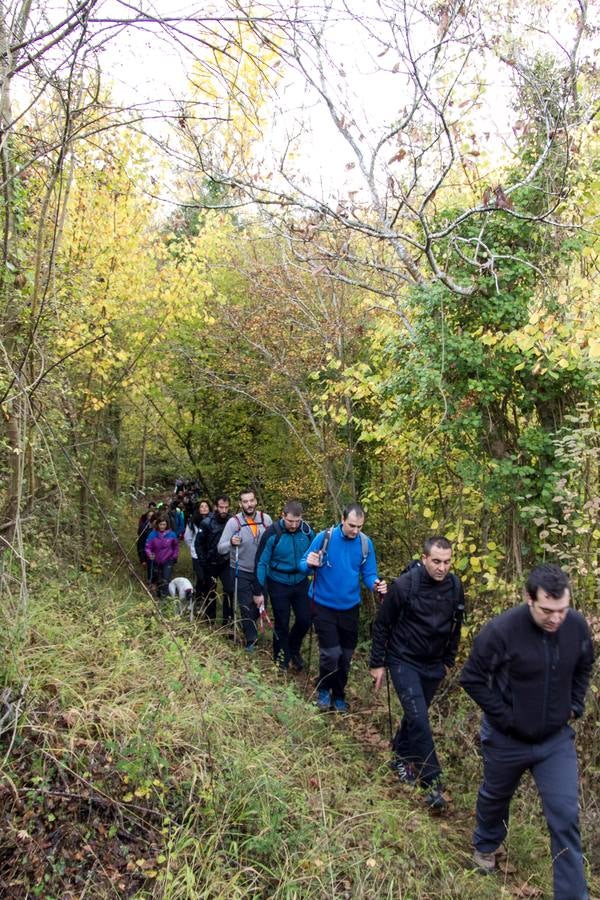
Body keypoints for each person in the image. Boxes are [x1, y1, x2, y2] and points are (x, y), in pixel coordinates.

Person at [460, 564, 594, 897]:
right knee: (495, 796)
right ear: (528, 599)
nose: (556, 618)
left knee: (565, 816)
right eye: (547, 610)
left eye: (562, 609)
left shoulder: (575, 626)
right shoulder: (502, 630)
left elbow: (584, 664)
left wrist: (575, 705)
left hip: (555, 740)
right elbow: (472, 678)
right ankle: (486, 845)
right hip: (507, 739)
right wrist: (505, 717)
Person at [369, 536, 465, 812]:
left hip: (434, 664)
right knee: (420, 720)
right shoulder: (404, 585)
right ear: (424, 559)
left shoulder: (455, 587)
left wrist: (448, 661)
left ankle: (400, 755)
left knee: (415, 717)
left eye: (447, 562)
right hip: (403, 660)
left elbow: (456, 626)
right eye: (436, 561)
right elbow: (383, 625)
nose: (442, 567)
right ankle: (432, 785)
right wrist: (378, 664)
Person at [299, 502, 386, 712]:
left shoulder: (365, 544)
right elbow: (302, 565)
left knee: (346, 656)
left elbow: (368, 574)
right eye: (352, 526)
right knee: (331, 653)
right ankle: (323, 690)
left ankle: (339, 695)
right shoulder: (324, 538)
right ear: (342, 520)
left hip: (350, 607)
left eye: (360, 527)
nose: (355, 531)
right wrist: (309, 563)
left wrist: (376, 584)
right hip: (322, 604)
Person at [254, 500, 315, 671]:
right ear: (283, 516)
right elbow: (260, 562)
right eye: (290, 521)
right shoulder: (272, 533)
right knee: (282, 621)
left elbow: (317, 554)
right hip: (278, 582)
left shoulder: (307, 531)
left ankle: (293, 649)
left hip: (301, 581)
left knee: (305, 619)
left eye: (297, 521)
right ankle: (280, 658)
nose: (294, 525)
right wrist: (258, 590)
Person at [217, 490, 272, 651]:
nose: (249, 504)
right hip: (241, 570)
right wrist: (231, 543)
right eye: (245, 501)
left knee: (261, 604)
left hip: (262, 571)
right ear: (240, 504)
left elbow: (273, 542)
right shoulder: (234, 522)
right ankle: (251, 640)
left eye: (251, 500)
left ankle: (248, 624)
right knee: (245, 606)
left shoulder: (265, 519)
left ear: (255, 501)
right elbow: (221, 548)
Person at [195, 495, 234, 626]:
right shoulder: (207, 522)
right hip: (210, 563)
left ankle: (228, 622)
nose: (224, 510)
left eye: (226, 507)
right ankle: (210, 621)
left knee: (229, 590)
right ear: (216, 507)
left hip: (226, 562)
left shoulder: (232, 521)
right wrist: (203, 562)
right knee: (210, 592)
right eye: (221, 507)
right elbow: (198, 544)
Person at [145, 515, 179, 599]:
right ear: (157, 525)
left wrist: (174, 556)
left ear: (167, 525)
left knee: (166, 579)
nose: (162, 526)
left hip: (168, 560)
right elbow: (147, 547)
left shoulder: (172, 534)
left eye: (164, 524)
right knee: (158, 578)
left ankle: (165, 598)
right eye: (161, 524)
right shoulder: (153, 534)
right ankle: (159, 595)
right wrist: (150, 554)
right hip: (156, 560)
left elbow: (176, 546)